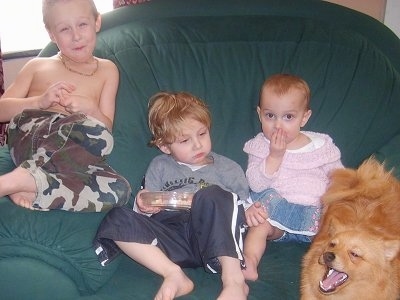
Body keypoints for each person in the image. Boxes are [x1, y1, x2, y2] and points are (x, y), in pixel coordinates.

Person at [94, 91, 251, 300]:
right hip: (171, 237)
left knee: (213, 195)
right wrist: (144, 205)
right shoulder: (159, 166)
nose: (197, 144)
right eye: (185, 140)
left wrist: (252, 210)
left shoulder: (228, 168)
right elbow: (143, 214)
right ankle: (173, 274)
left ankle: (234, 282)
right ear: (165, 146)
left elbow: (241, 211)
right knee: (117, 217)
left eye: (202, 134)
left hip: (212, 238)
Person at [0, 0, 131, 212]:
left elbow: (106, 128)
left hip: (72, 151)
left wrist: (91, 109)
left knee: (119, 190)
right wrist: (39, 101)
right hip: (32, 133)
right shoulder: (38, 66)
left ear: (97, 22)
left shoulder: (108, 70)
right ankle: (15, 180)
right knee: (91, 132)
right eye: (64, 29)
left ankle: (30, 184)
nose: (76, 36)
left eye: (82, 25)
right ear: (51, 34)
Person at [242, 74, 343, 281]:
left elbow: (339, 178)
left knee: (340, 234)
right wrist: (274, 156)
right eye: (270, 116)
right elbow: (255, 183)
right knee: (259, 224)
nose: (278, 125)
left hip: (316, 217)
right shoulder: (260, 146)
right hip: (277, 216)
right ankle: (249, 261)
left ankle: (336, 274)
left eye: (288, 117)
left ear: (304, 118)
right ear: (260, 114)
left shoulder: (320, 146)